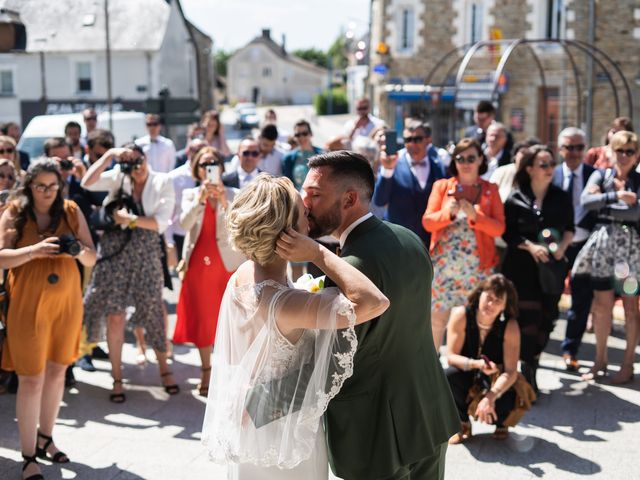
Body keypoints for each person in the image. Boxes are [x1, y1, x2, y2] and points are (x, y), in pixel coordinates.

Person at [201, 173, 390, 479]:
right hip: (284, 434)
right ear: (289, 235)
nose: (310, 215)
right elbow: (374, 302)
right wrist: (318, 252)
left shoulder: (243, 274)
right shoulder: (286, 304)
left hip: (252, 421)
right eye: (304, 212)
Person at [302, 151, 459, 480]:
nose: (305, 203)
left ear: (349, 199)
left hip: (375, 428)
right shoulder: (410, 238)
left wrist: (260, 404)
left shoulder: (352, 271)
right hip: (427, 407)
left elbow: (331, 360)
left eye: (315, 194)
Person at [0, 159, 96, 480]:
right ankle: (28, 457)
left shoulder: (70, 210)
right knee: (31, 378)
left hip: (66, 303)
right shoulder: (15, 210)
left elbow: (92, 255)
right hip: (26, 305)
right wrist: (34, 250)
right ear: (29, 186)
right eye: (40, 186)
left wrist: (77, 251)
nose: (47, 192)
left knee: (57, 372)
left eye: (53, 186)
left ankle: (46, 437)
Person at [81, 144, 177, 402]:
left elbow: (160, 223)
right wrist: (109, 156)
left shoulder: (162, 180)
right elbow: (87, 182)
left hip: (146, 250)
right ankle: (117, 378)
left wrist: (129, 220)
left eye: (139, 159)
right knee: (115, 315)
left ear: (146, 158)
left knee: (153, 309)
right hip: (115, 250)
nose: (137, 166)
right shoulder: (119, 176)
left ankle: (165, 370)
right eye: (131, 161)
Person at [502, 145, 575, 391]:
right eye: (543, 165)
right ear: (530, 169)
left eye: (551, 164)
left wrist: (563, 247)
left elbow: (570, 228)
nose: (549, 169)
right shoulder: (515, 198)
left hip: (551, 269)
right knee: (526, 318)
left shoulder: (561, 197)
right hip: (521, 268)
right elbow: (508, 233)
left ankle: (533, 359)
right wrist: (531, 247)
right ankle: (527, 367)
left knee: (549, 317)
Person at [173, 147, 245, 396]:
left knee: (229, 320)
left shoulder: (235, 193)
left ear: (222, 167)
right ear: (197, 169)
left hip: (227, 263)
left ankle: (227, 372)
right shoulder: (191, 193)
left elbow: (238, 226)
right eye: (204, 164)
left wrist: (223, 200)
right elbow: (183, 224)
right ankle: (206, 370)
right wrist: (200, 199)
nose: (209, 167)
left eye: (213, 162)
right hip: (198, 264)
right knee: (203, 319)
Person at [423, 138, 505, 350]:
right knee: (436, 320)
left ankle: (463, 366)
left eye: (471, 157)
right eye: (460, 158)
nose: (466, 162)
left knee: (472, 320)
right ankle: (432, 370)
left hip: (477, 268)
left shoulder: (490, 190)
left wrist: (476, 216)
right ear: (454, 161)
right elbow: (428, 222)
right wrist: (447, 213)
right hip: (444, 266)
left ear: (480, 160)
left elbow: (499, 229)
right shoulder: (442, 187)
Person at [572, 131, 640, 384]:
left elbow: (636, 215)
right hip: (603, 250)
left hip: (629, 255)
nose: (623, 156)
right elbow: (586, 201)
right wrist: (617, 198)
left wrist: (609, 207)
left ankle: (627, 365)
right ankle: (600, 361)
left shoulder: (638, 180)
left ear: (636, 155)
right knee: (601, 307)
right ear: (611, 151)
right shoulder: (601, 175)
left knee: (631, 308)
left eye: (629, 151)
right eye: (619, 150)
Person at [445, 274, 533, 443]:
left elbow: (511, 371)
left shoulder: (510, 325)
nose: (491, 304)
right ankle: (462, 423)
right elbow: (450, 357)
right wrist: (476, 364)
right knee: (448, 375)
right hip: (468, 372)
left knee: (511, 387)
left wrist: (490, 398)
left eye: (498, 301)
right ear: (480, 294)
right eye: (489, 297)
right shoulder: (461, 314)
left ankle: (501, 422)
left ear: (505, 306)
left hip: (496, 378)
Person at [552, 127, 596, 371]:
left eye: (579, 147)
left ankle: (570, 349)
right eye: (569, 147)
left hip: (586, 246)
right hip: (558, 247)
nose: (574, 153)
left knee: (581, 301)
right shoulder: (552, 175)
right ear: (560, 149)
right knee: (551, 295)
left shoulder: (595, 175)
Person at [372, 119, 446, 246]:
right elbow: (380, 200)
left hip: (432, 243)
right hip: (399, 243)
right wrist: (388, 169)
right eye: (408, 140)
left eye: (417, 139)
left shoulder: (439, 164)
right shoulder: (393, 162)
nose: (412, 144)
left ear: (428, 140)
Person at [167, 137, 208, 262]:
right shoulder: (173, 177)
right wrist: (169, 240)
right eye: (195, 150)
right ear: (188, 151)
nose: (199, 153)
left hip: (206, 235)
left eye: (203, 150)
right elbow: (168, 210)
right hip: (182, 234)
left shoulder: (213, 176)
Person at [282, 120, 323, 191]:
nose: (301, 137)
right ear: (294, 137)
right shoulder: (288, 158)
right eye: (297, 135)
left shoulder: (322, 155)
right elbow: (287, 185)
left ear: (311, 134)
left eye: (304, 133)